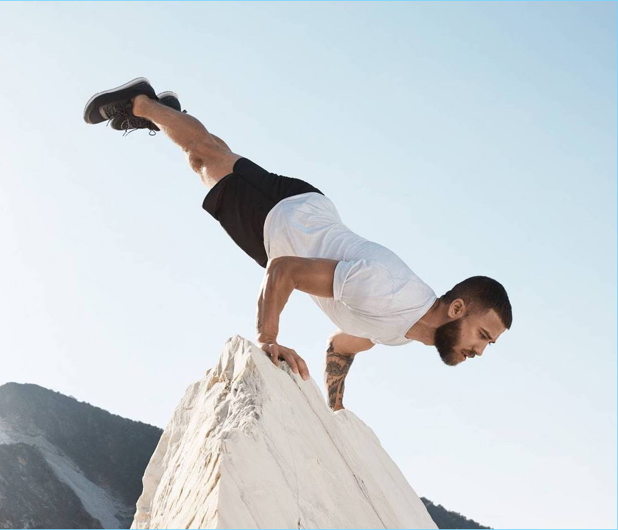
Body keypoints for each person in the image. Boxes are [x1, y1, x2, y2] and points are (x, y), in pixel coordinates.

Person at [84, 78, 513, 411]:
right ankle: (142, 102)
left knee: (208, 158)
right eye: (482, 335)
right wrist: (267, 338)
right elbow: (285, 272)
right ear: (458, 309)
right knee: (203, 156)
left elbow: (343, 345)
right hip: (289, 215)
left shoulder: (403, 333)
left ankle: (166, 113)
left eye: (487, 344)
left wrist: (336, 403)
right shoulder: (390, 291)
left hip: (279, 237)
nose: (480, 350)